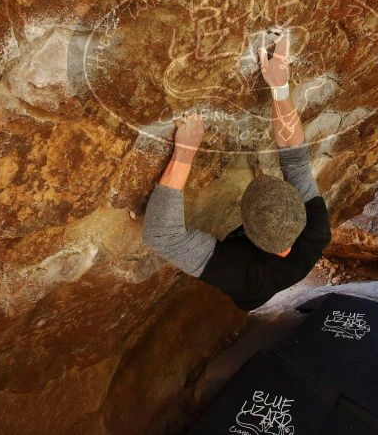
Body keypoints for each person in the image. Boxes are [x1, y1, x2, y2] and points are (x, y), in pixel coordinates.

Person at [142, 32, 332, 311]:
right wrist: (280, 88)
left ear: (244, 228)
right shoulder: (316, 229)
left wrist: (185, 153)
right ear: (298, 209)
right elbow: (295, 157)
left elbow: (161, 235)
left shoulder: (242, 274)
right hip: (284, 265)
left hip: (252, 294)